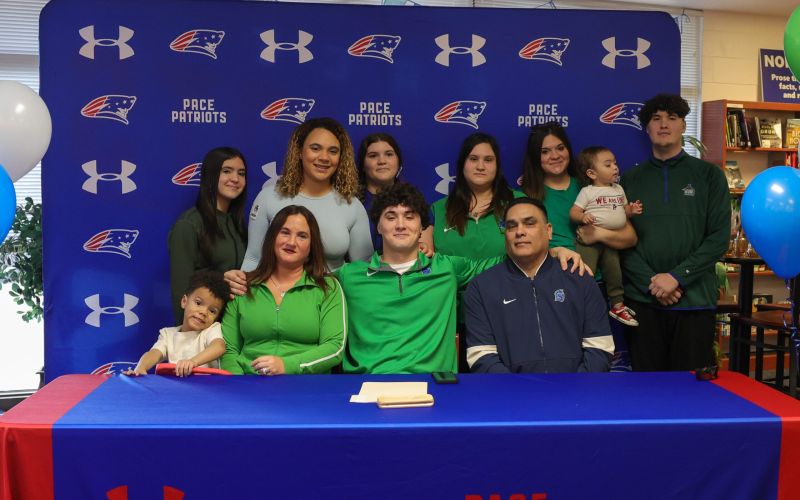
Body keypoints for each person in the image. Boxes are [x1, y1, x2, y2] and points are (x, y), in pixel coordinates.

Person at [336, 182, 588, 374]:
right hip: (365, 386)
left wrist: (552, 250)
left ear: (422, 227)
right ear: (378, 226)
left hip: (434, 387)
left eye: (409, 216)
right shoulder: (349, 275)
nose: (400, 224)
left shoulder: (446, 268)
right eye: (390, 217)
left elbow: (513, 258)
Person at [620, 93, 731, 371]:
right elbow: (619, 240)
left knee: (691, 389)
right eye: (656, 118)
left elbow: (719, 238)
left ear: (683, 125)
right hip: (643, 301)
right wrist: (652, 283)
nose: (663, 124)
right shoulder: (629, 179)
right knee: (647, 389)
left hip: (695, 301)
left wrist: (676, 277)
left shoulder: (710, 176)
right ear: (646, 128)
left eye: (672, 118)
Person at [464, 197, 614, 373]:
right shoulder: (482, 287)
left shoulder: (580, 278)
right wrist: (518, 388)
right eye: (511, 226)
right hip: (511, 390)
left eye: (529, 224)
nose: (519, 232)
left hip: (576, 388)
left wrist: (573, 386)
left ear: (548, 231)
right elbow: (481, 356)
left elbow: (600, 348)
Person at [221, 205, 346, 375]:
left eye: (302, 236)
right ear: (272, 238)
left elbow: (334, 347)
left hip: (305, 384)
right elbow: (228, 349)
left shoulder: (328, 288)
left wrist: (287, 366)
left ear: (311, 246)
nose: (291, 242)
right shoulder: (243, 284)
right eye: (285, 232)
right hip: (248, 383)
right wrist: (238, 382)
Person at [241, 117, 373, 273]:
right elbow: (253, 259)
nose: (324, 157)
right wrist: (242, 283)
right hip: (277, 288)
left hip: (332, 288)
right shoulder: (268, 198)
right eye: (315, 148)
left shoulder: (352, 206)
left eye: (333, 151)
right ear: (299, 152)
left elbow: (364, 269)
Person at [521, 122, 637, 251]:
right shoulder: (526, 196)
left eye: (560, 148)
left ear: (568, 150)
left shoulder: (592, 186)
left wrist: (599, 234)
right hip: (555, 263)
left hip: (594, 262)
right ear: (535, 156)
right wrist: (557, 253)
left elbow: (630, 238)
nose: (555, 156)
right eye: (545, 152)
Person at [168, 146, 247, 323]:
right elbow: (181, 291)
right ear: (210, 175)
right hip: (202, 329)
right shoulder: (189, 224)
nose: (235, 179)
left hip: (234, 325)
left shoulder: (238, 224)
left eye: (241, 173)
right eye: (227, 171)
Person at [569, 146, 643, 327]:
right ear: (592, 173)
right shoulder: (588, 192)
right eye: (608, 165)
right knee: (585, 271)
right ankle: (579, 304)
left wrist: (631, 210)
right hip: (589, 242)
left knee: (614, 273)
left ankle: (617, 306)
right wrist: (583, 217)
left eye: (615, 163)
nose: (615, 167)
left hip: (611, 241)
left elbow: (623, 210)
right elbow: (574, 212)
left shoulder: (618, 189)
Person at [125, 270, 230, 377]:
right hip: (176, 386)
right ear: (184, 301)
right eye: (198, 303)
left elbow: (219, 347)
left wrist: (193, 362)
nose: (203, 312)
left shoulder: (211, 330)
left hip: (205, 386)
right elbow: (154, 353)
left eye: (212, 311)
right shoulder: (167, 334)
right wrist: (140, 368)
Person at [356, 132, 403, 249]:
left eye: (389, 154)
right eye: (373, 156)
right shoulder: (350, 202)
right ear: (363, 165)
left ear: (399, 162)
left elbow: (423, 250)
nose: (382, 161)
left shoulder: (413, 201)